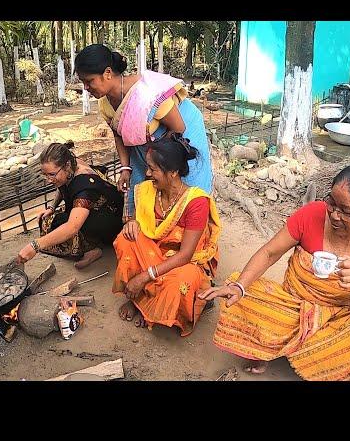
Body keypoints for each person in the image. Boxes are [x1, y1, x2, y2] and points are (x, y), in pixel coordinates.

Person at [199, 164, 350, 381]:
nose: (335, 215)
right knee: (238, 286)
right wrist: (240, 287)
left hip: (336, 319)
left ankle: (286, 346)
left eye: (346, 212)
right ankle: (269, 347)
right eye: (331, 203)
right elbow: (269, 253)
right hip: (292, 306)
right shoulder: (312, 214)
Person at [74, 44, 213, 223]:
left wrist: (157, 159)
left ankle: (190, 231)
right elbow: (118, 135)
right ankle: (151, 230)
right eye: (83, 82)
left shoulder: (148, 94)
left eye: (89, 81)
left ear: (107, 73)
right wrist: (125, 168)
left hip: (179, 137)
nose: (85, 87)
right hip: (146, 146)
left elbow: (178, 128)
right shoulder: (105, 103)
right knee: (142, 187)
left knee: (182, 183)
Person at [112, 134, 221, 336]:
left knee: (180, 281)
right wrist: (133, 224)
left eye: (153, 169)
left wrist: (145, 276)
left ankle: (149, 303)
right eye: (148, 167)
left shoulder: (196, 202)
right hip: (154, 252)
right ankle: (139, 301)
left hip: (184, 261)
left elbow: (185, 255)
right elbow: (140, 223)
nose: (147, 173)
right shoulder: (148, 190)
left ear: (173, 173)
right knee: (125, 241)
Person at [16, 141, 123, 268]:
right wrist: (52, 207)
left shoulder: (85, 187)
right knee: (46, 220)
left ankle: (92, 249)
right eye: (45, 174)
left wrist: (34, 246)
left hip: (110, 220)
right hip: (94, 211)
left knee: (58, 226)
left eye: (52, 174)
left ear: (66, 165)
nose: (49, 180)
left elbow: (72, 227)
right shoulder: (71, 165)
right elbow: (62, 187)